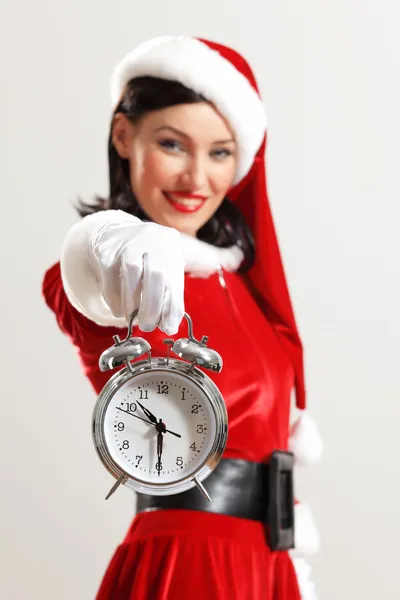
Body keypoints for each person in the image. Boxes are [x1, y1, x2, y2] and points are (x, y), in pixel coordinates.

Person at [42, 35, 322, 600]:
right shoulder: (129, 275)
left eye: (219, 152)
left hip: (270, 567)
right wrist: (104, 239)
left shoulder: (241, 286)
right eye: (173, 144)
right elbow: (84, 277)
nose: (197, 178)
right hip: (189, 564)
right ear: (124, 136)